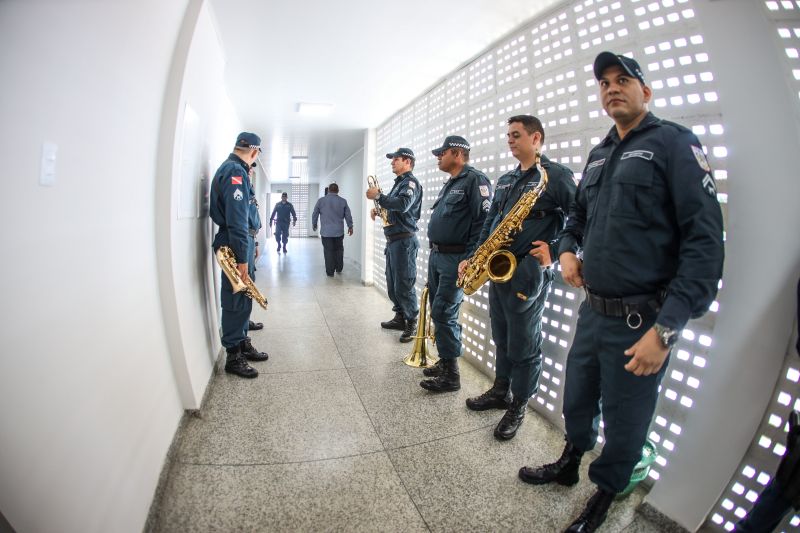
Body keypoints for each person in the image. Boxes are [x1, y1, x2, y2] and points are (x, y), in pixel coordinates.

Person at [517, 52, 724, 532]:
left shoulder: (675, 144)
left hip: (642, 322)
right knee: (579, 398)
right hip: (594, 312)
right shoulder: (599, 155)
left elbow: (704, 245)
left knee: (628, 421)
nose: (612, 88)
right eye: (605, 82)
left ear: (645, 92)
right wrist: (567, 251)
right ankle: (569, 464)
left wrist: (666, 330)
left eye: (623, 80)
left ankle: (605, 493)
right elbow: (577, 220)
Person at [459, 115, 576, 440]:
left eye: (516, 135)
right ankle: (501, 390)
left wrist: (554, 249)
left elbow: (580, 219)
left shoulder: (555, 176)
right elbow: (491, 221)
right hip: (498, 267)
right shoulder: (507, 180)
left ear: (535, 137)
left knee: (525, 343)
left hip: (528, 272)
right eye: (508, 135)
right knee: (503, 335)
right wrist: (476, 255)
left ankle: (519, 404)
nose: (510, 140)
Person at [419, 136, 491, 393]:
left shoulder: (475, 180)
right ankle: (446, 360)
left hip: (456, 259)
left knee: (443, 312)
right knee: (439, 310)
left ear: (457, 153)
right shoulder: (450, 183)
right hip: (438, 256)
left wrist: (469, 259)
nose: (439, 156)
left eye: (443, 153)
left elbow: (483, 223)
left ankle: (451, 376)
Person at [209, 132, 271, 379]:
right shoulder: (235, 172)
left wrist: (250, 244)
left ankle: (242, 338)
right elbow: (236, 219)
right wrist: (242, 257)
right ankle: (234, 355)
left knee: (244, 293)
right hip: (235, 242)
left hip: (242, 240)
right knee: (236, 297)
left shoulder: (237, 170)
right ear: (254, 152)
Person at [366, 147, 423, 343]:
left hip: (405, 241)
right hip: (394, 241)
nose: (392, 162)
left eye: (396, 159)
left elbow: (403, 205)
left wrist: (378, 197)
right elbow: (396, 209)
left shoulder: (410, 183)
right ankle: (400, 317)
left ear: (407, 162)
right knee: (393, 283)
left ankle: (412, 322)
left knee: (404, 284)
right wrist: (380, 211)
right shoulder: (399, 184)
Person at [312, 183, 353, 277]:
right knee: (339, 249)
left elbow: (315, 213)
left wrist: (314, 224)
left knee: (328, 251)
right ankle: (339, 268)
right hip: (339, 232)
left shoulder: (321, 201)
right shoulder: (343, 201)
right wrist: (350, 226)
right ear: (338, 190)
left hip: (326, 233)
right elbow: (348, 215)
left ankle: (330, 272)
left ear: (329, 190)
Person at [247, 163, 263, 332]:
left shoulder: (249, 188)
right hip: (243, 240)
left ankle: (246, 321)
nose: (251, 171)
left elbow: (252, 218)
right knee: (245, 285)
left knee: (250, 283)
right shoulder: (240, 187)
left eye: (252, 169)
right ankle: (241, 328)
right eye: (249, 168)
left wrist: (256, 243)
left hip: (250, 239)